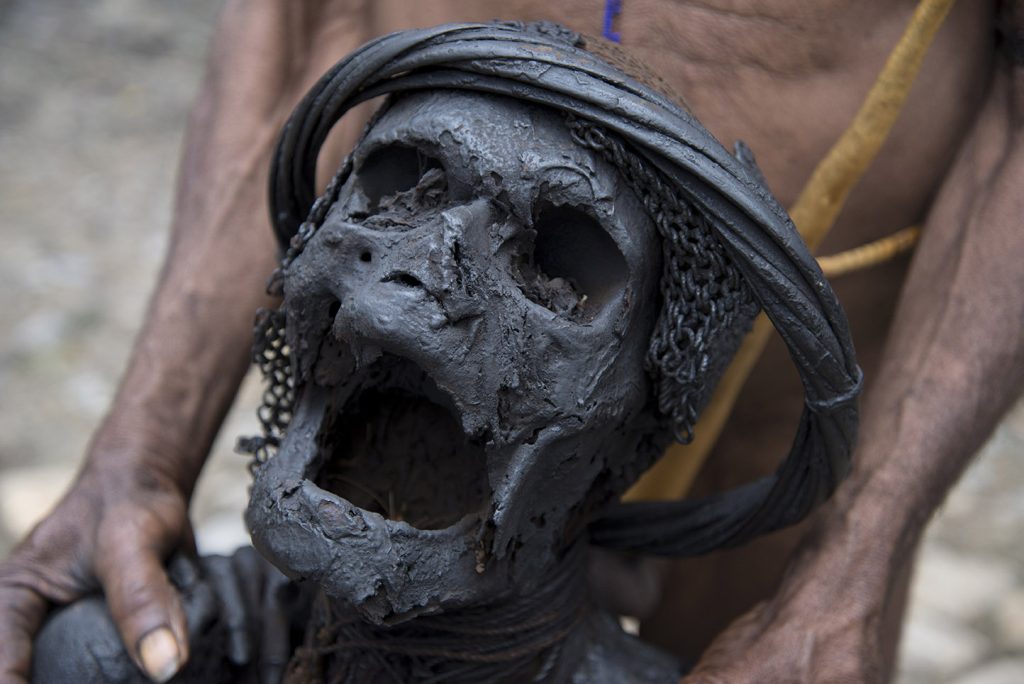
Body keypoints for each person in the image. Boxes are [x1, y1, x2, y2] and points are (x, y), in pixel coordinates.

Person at [1, 1, 1021, 682]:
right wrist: (140, 447)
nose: (422, 295)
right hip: (381, 414)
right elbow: (303, 17)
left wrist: (853, 565)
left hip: (763, 468)